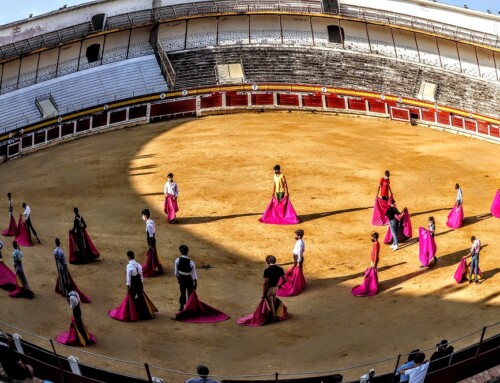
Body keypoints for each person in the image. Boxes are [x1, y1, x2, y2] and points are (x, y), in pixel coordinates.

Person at [126, 251, 155, 320]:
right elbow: (141, 276)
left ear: (128, 257)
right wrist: (140, 284)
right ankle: (145, 315)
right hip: (139, 284)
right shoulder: (138, 265)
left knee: (131, 298)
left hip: (133, 285)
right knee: (141, 298)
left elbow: (128, 278)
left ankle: (131, 315)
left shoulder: (129, 266)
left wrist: (128, 287)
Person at [174, 245, 197, 311]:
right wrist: (195, 283)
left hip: (182, 279)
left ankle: (181, 307)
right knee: (190, 293)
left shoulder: (177, 260)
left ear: (181, 252)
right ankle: (189, 307)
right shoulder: (191, 262)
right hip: (189, 279)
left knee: (182, 293)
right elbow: (193, 274)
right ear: (187, 252)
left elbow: (176, 273)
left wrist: (179, 280)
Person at [263, 255, 286, 322]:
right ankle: (274, 316)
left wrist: (263, 294)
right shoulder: (280, 269)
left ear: (268, 262)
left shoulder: (267, 270)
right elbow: (285, 280)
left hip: (270, 290)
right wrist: (280, 285)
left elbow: (265, 283)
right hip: (276, 288)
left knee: (271, 304)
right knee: (273, 302)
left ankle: (273, 319)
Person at [141, 209, 162, 273]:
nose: (142, 217)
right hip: (152, 241)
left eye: (143, 215)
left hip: (151, 241)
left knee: (154, 255)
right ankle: (157, 267)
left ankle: (157, 268)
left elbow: (151, 236)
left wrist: (150, 245)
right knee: (154, 254)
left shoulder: (149, 224)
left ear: (145, 215)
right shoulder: (151, 221)